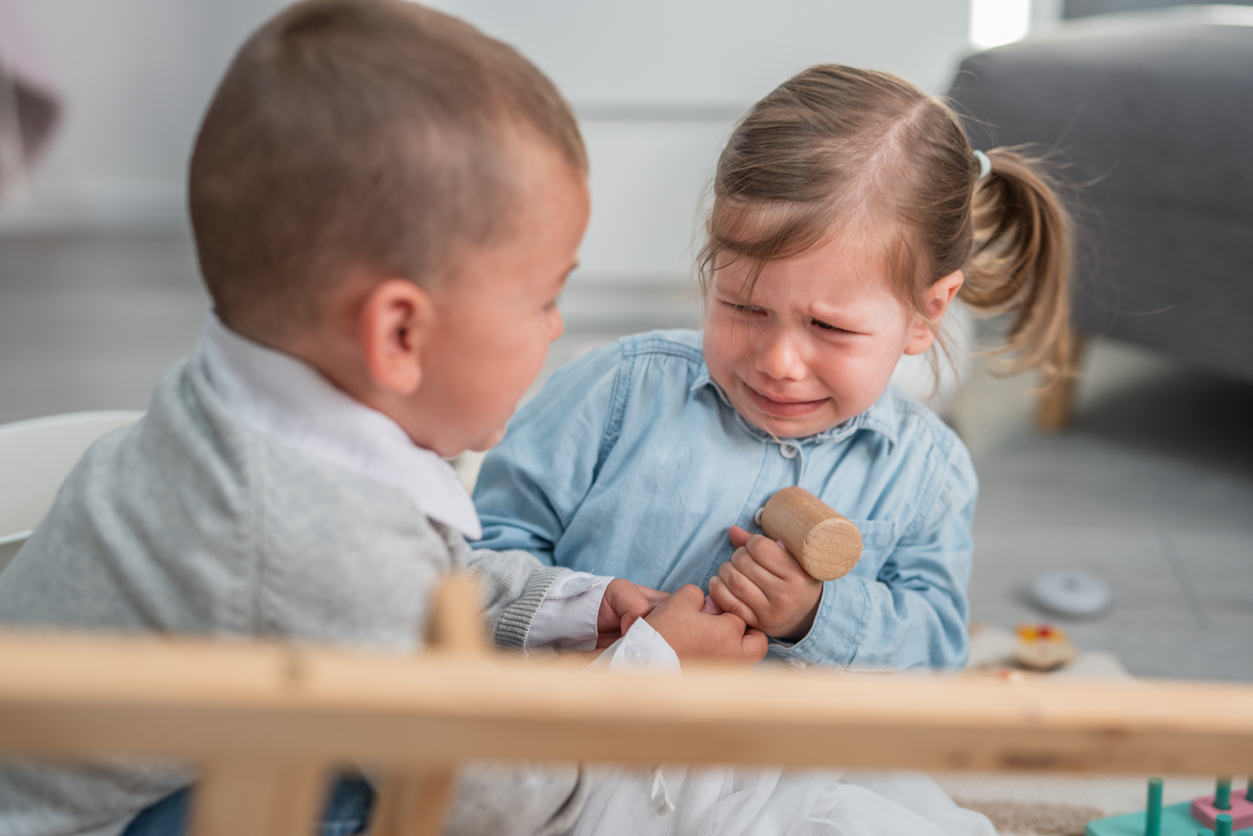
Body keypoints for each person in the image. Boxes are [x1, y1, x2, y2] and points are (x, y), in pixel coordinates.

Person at [0, 3, 766, 835]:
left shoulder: (243, 409)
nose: (556, 328)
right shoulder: (309, 531)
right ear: (400, 335)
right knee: (394, 794)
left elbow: (407, 589)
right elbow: (499, 797)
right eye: (543, 298)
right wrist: (651, 672)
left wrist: (570, 606)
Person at [474, 64, 1073, 671]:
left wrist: (815, 616)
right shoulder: (614, 393)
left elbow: (935, 652)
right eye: (743, 306)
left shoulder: (927, 475)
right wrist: (582, 605)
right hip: (589, 739)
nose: (779, 363)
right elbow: (469, 559)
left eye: (829, 327)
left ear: (927, 312)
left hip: (784, 761)